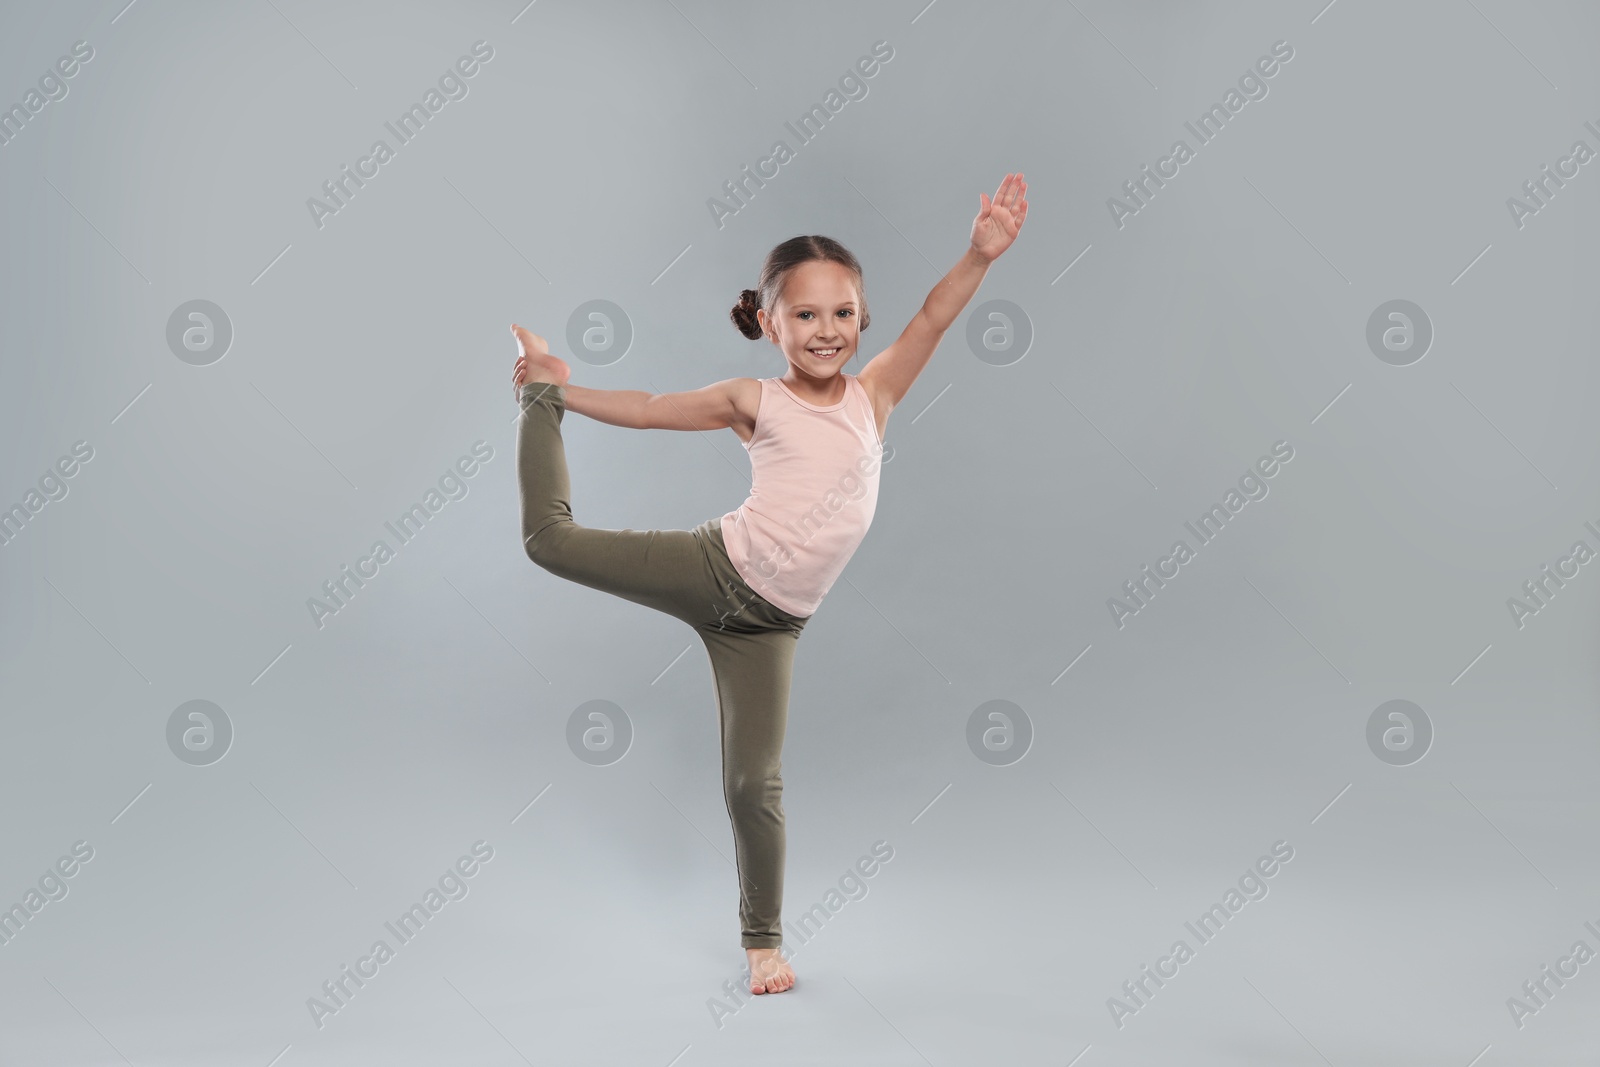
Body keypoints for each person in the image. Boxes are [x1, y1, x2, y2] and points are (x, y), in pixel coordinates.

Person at [510, 173, 1028, 995]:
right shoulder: (755, 399)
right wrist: (557, 391)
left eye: (844, 313)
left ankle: (763, 942)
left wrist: (979, 254)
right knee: (551, 541)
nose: (828, 331)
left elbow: (934, 316)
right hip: (714, 568)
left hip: (772, 626)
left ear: (863, 320)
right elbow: (647, 407)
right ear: (770, 322)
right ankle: (534, 395)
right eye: (806, 314)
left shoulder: (874, 398)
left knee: (753, 782)